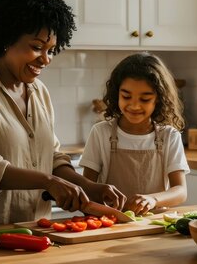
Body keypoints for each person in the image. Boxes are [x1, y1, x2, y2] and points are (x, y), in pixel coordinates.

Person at [0, 0, 124, 225]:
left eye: (51, 50)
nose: (46, 59)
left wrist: (89, 186)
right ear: (6, 39)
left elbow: (53, 157)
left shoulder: (39, 92)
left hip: (36, 229)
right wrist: (48, 182)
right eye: (37, 48)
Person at [79, 52, 189, 215]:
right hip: (111, 222)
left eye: (144, 99)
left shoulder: (169, 136)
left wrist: (153, 200)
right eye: (126, 96)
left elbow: (180, 191)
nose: (135, 105)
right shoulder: (101, 132)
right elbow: (86, 187)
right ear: (117, 94)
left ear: (158, 99)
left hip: (154, 223)